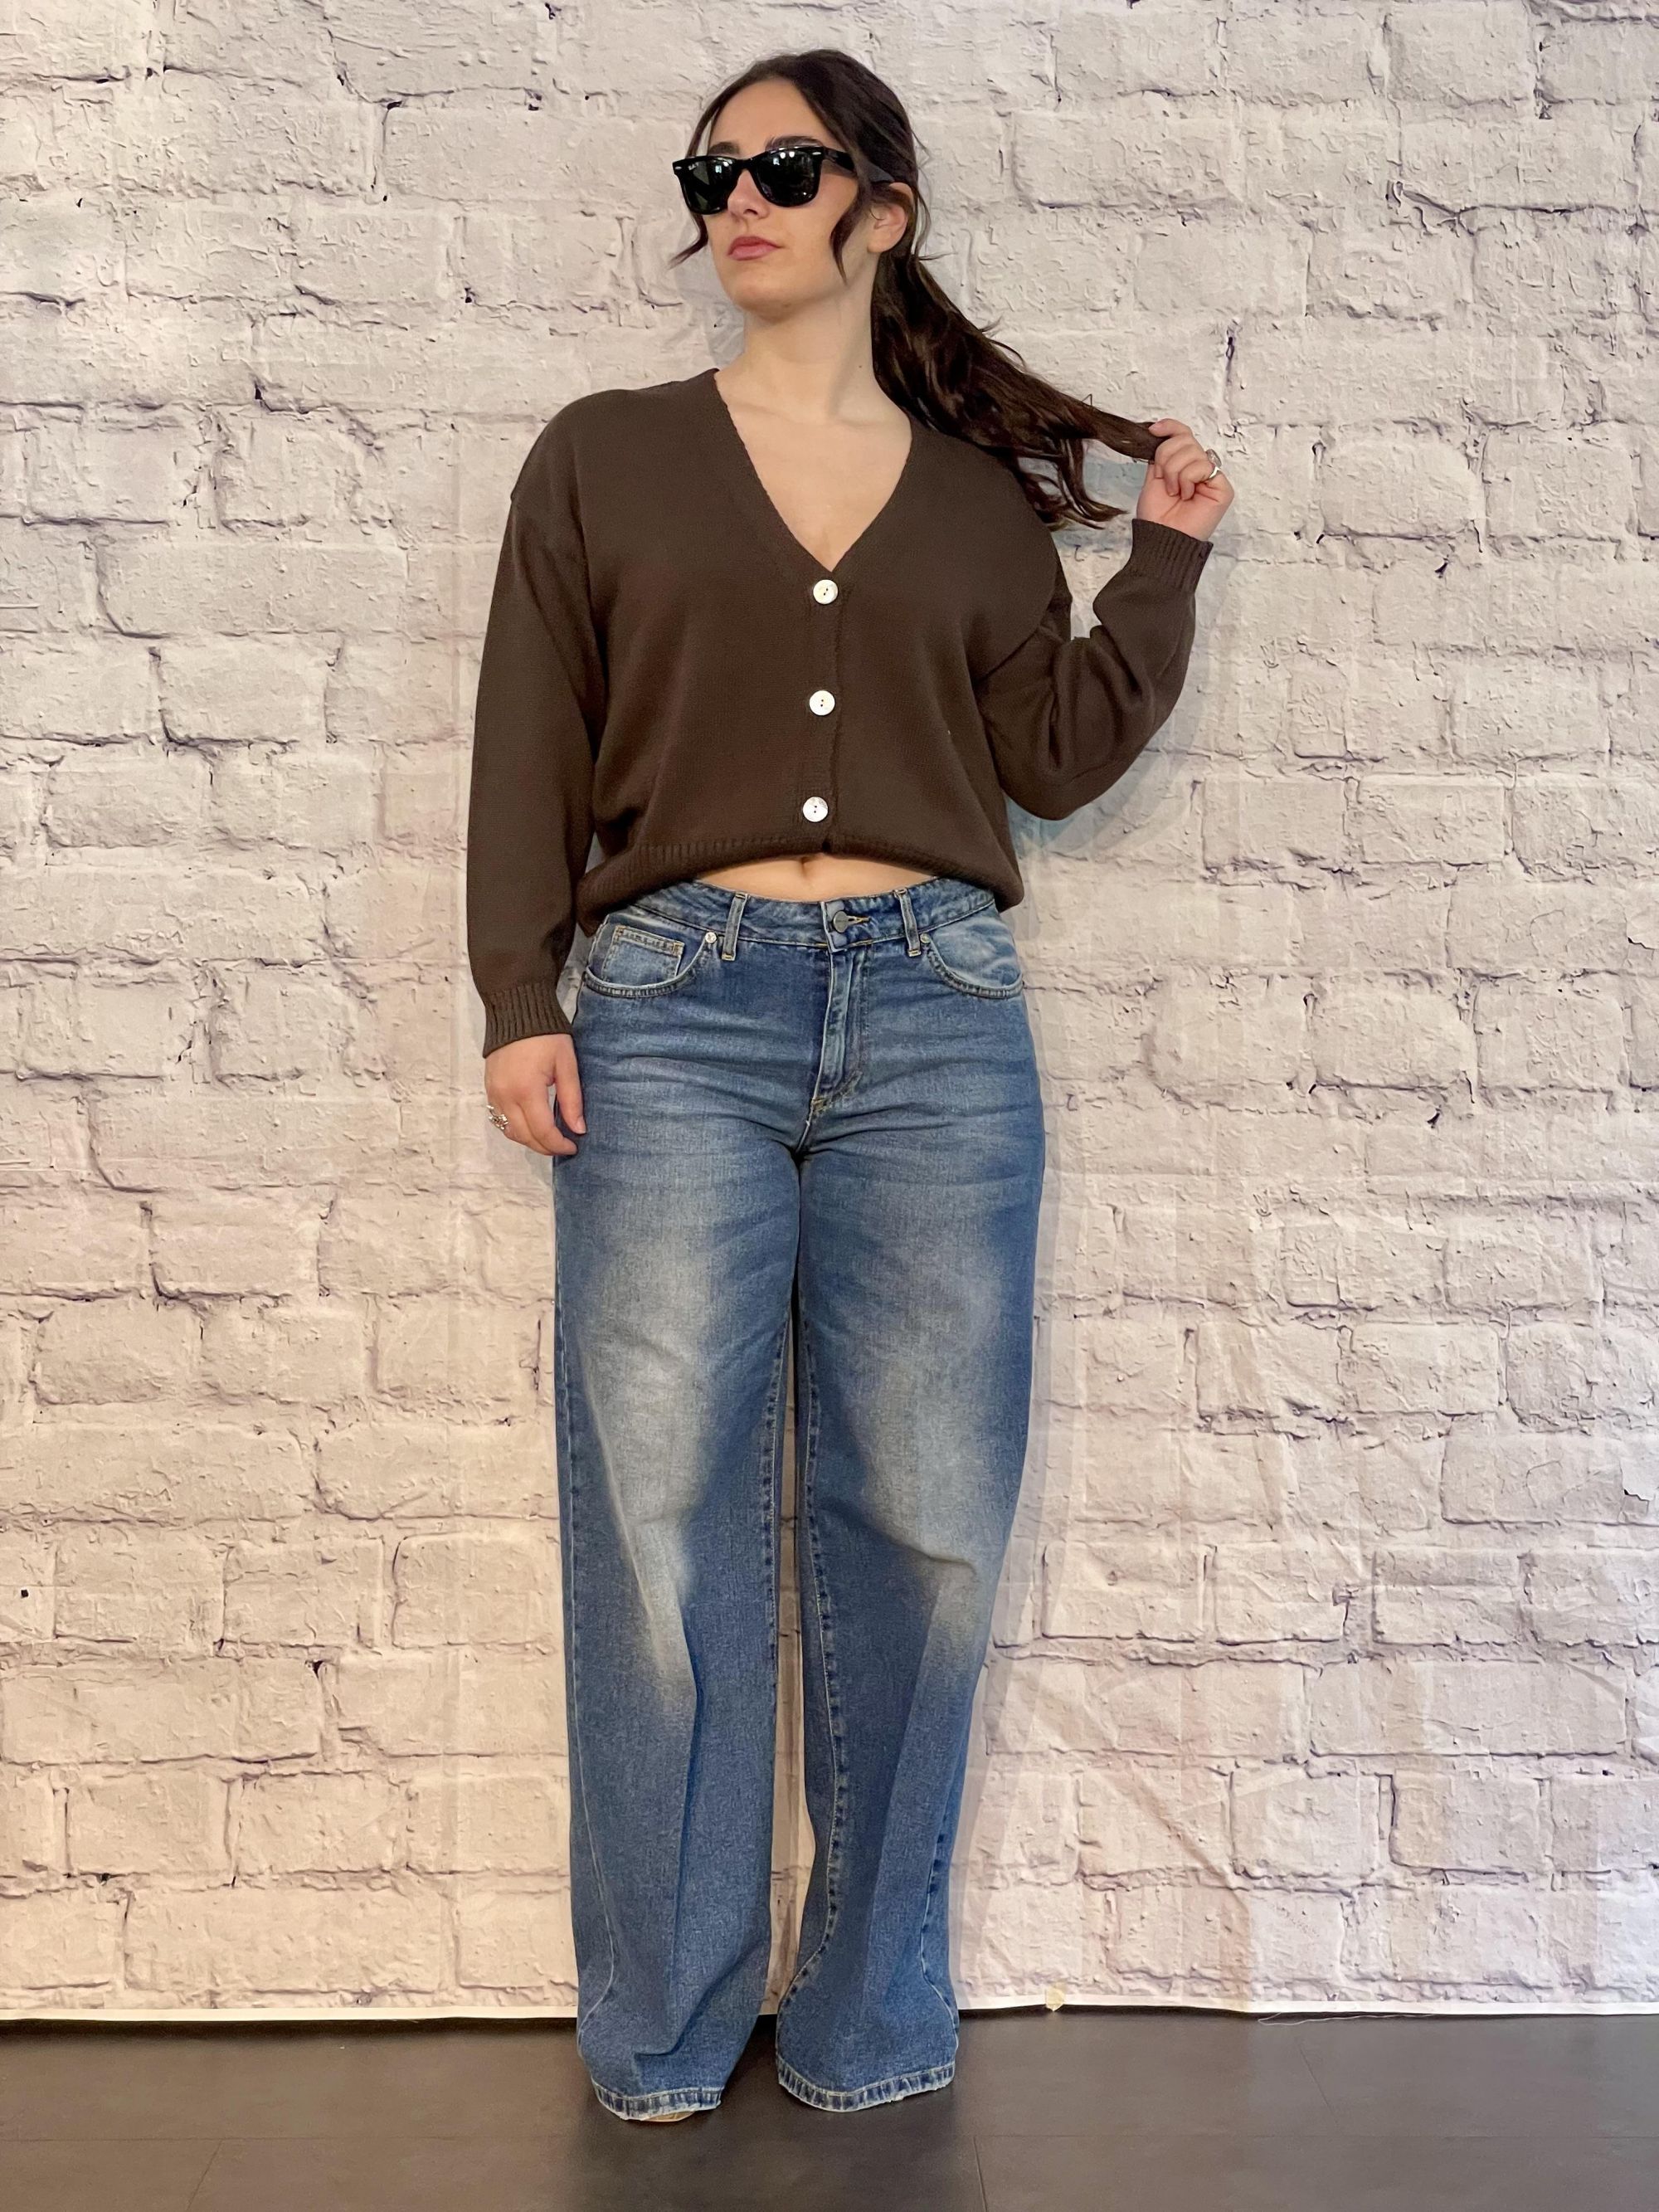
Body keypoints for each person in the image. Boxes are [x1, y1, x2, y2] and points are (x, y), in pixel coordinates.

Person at [465, 47, 1231, 2124]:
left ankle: (872, 2014)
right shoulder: (605, 456)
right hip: (671, 1012)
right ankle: (661, 2028)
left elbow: (1048, 756)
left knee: (932, 1529)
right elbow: (533, 724)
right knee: (654, 1525)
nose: (738, 197)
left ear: (878, 208)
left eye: (783, 167)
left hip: (934, 1022)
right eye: (712, 169)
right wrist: (519, 994)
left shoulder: (974, 504)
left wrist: (1161, 564)